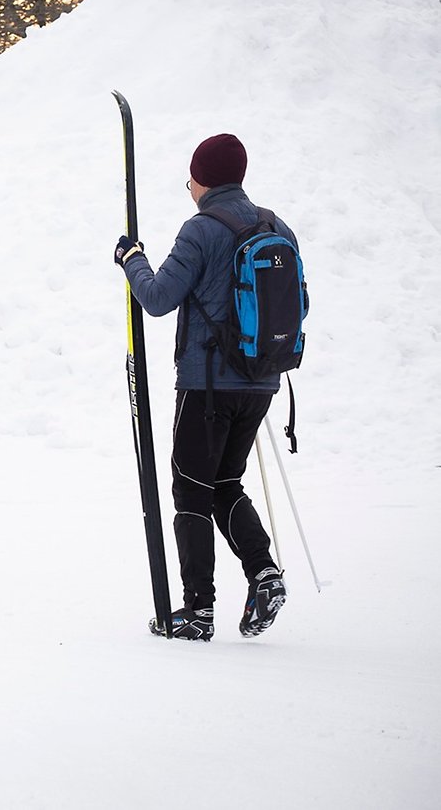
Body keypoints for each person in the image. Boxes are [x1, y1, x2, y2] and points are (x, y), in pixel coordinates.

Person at [114, 133, 293, 641]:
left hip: (207, 385)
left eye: (190, 177)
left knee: (191, 489)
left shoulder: (201, 230)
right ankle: (263, 574)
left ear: (203, 179)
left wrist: (131, 258)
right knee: (224, 484)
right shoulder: (275, 225)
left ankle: (197, 612)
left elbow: (156, 296)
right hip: (261, 382)